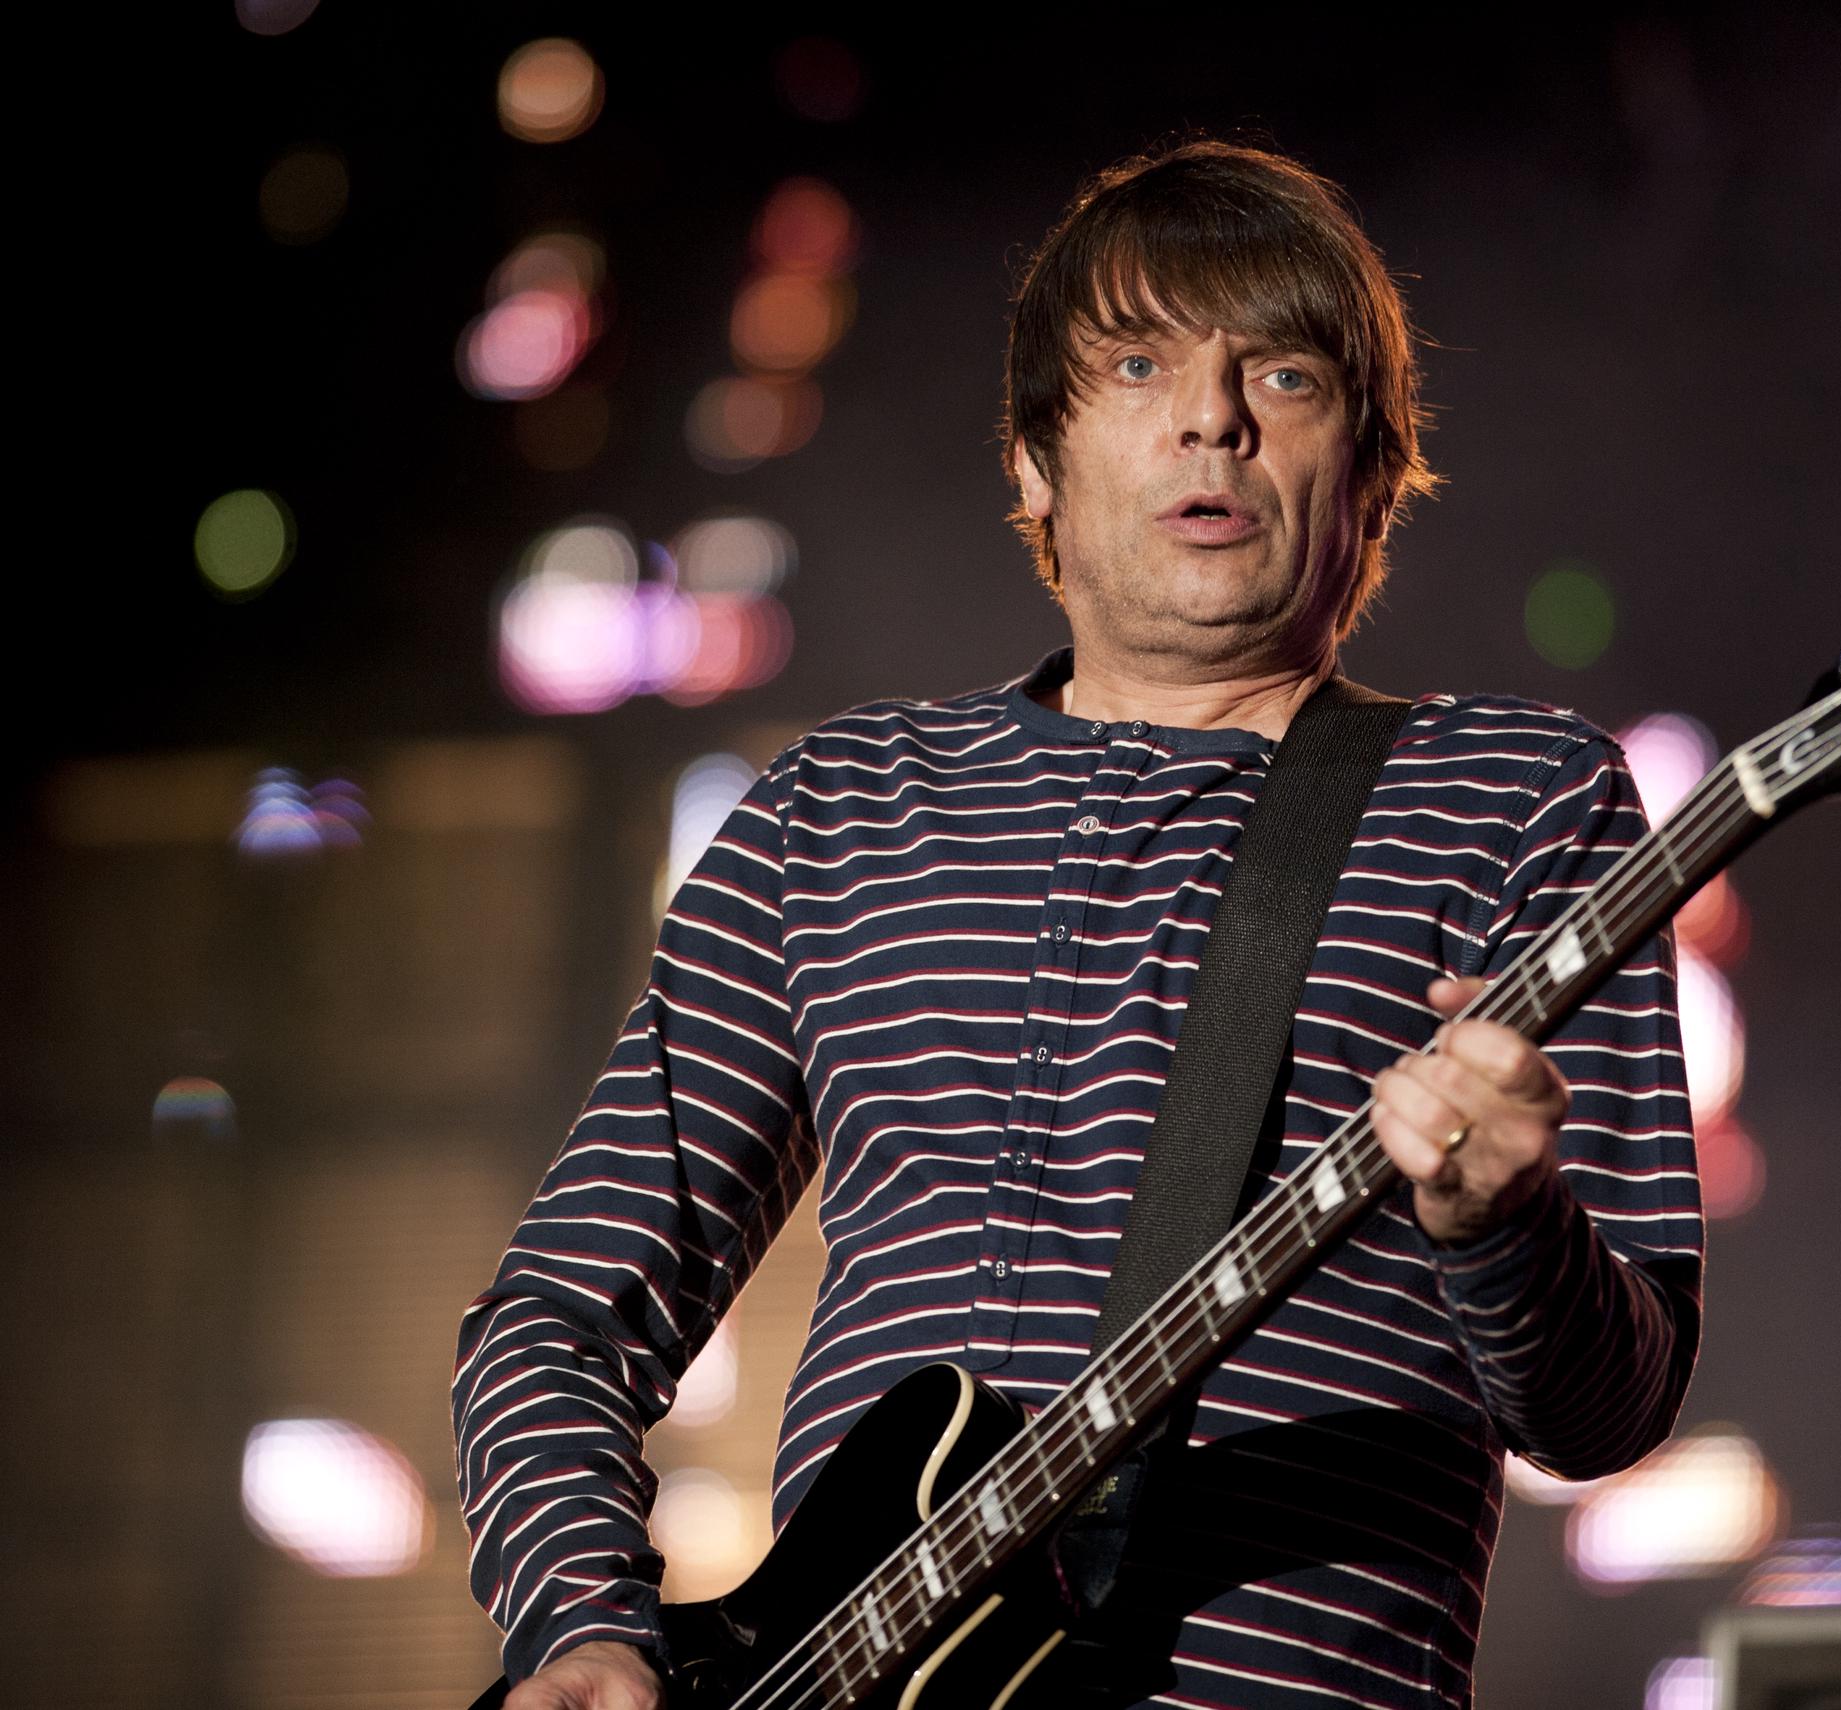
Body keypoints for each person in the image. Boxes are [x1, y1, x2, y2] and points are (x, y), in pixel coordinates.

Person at [453, 139, 1703, 1710]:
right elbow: (562, 1314)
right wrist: (580, 1625)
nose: (1212, 415)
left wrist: (1506, 1224)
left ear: (1374, 469)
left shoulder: (1516, 798)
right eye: (1135, 363)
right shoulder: (837, 809)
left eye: (1290, 375)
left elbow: (1610, 1406)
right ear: (1035, 462)